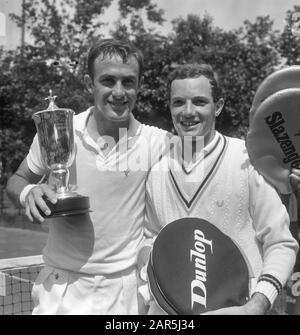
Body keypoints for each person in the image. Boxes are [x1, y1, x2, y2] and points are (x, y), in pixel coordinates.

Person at [6, 38, 169, 315]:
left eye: (128, 82)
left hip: (125, 294)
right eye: (108, 80)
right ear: (88, 83)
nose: (119, 92)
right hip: (60, 289)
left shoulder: (156, 142)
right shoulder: (57, 128)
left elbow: (207, 151)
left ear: (139, 85)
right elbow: (17, 180)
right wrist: (28, 192)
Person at [138, 63, 299, 315]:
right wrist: (148, 291)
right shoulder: (156, 170)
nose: (188, 112)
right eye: (178, 102)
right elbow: (150, 239)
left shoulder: (247, 160)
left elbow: (280, 243)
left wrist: (255, 307)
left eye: (200, 102)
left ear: (219, 106)